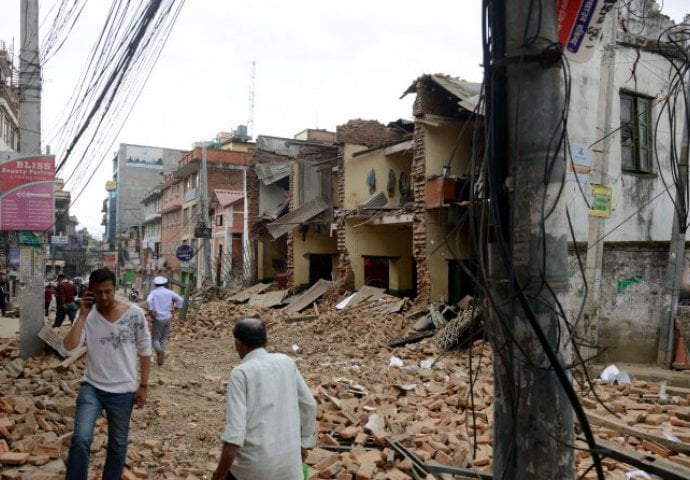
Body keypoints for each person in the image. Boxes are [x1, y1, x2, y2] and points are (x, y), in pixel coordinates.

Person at [61, 268, 151, 480]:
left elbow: (145, 349)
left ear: (115, 289)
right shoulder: (87, 315)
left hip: (123, 390)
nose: (103, 297)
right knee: (81, 439)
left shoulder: (134, 314)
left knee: (118, 444)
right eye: (98, 292)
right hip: (91, 387)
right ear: (90, 291)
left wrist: (144, 385)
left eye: (108, 292)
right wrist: (82, 314)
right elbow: (68, 349)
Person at [212, 317, 317, 480]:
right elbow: (309, 405)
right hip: (290, 466)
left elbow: (235, 435)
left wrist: (219, 476)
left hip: (253, 469)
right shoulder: (286, 362)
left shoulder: (241, 373)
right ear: (266, 342)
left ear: (237, 344)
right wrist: (304, 444)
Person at [146, 276, 184, 366]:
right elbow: (181, 299)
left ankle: (160, 352)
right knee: (163, 338)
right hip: (168, 317)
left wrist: (151, 311)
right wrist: (176, 309)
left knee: (155, 339)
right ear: (164, 284)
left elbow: (148, 300)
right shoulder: (169, 292)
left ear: (155, 284)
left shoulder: (153, 293)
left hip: (158, 318)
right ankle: (160, 356)